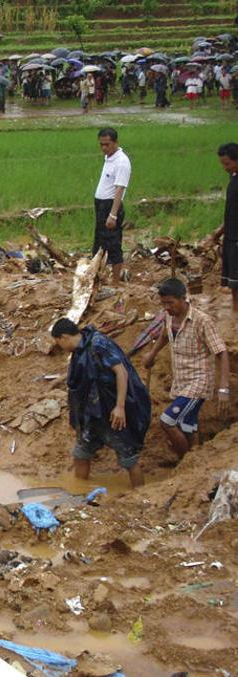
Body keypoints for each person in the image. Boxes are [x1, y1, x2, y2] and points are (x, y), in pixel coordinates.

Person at [51, 319, 150, 488]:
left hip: (111, 410)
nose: (60, 347)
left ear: (64, 337)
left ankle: (140, 495)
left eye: (59, 343)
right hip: (92, 414)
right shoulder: (80, 351)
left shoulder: (99, 345)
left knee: (128, 457)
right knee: (81, 453)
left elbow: (121, 373)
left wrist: (119, 407)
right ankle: (79, 491)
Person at [142, 277, 230, 463]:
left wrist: (223, 388)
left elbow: (221, 352)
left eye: (170, 303)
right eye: (163, 303)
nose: (167, 307)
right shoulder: (168, 315)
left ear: (183, 298)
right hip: (181, 379)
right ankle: (196, 460)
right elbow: (166, 335)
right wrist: (152, 353)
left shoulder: (202, 321)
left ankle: (185, 462)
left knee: (167, 421)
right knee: (187, 424)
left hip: (199, 381)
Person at [92, 127, 131, 285]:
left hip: (111, 206)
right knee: (99, 244)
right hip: (101, 205)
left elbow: (119, 189)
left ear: (115, 142)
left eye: (107, 144)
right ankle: (98, 279)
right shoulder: (109, 158)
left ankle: (116, 282)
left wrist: (113, 215)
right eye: (101, 144)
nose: (104, 148)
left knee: (113, 243)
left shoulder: (122, 162)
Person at [211, 142, 238, 312]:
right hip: (231, 234)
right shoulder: (233, 178)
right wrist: (219, 231)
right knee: (233, 283)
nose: (224, 167)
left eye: (227, 163)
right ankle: (235, 313)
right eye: (222, 163)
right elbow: (232, 211)